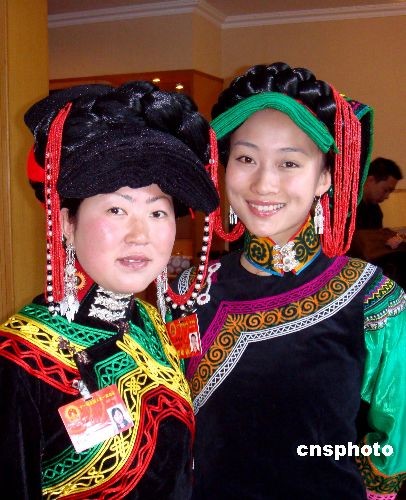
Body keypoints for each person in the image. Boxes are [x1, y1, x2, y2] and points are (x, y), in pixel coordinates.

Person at [169, 63, 406, 499]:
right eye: (246, 158)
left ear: (325, 178)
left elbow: (395, 432)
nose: (264, 183)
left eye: (289, 162)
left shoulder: (370, 297)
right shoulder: (189, 289)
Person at [0, 81, 219, 498]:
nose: (140, 235)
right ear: (67, 223)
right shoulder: (20, 360)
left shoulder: (151, 323)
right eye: (117, 209)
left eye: (158, 212)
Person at [356, 157, 403, 230]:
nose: (387, 196)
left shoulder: (376, 211)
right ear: (370, 180)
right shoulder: (347, 206)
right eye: (385, 190)